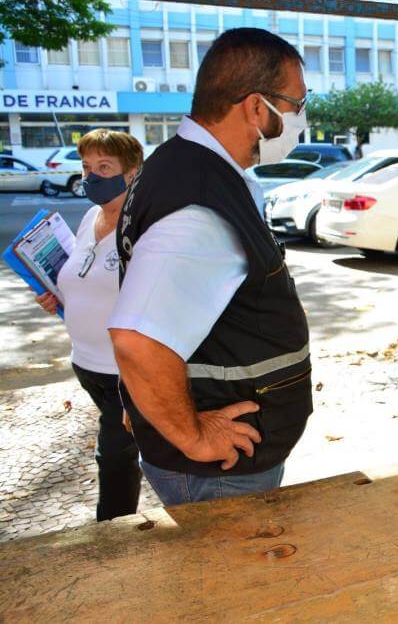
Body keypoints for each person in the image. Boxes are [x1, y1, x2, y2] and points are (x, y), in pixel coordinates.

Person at [107, 28, 313, 505]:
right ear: (257, 108)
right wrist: (192, 434)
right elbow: (137, 339)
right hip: (217, 471)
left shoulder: (188, 168)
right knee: (228, 580)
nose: (301, 119)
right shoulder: (199, 204)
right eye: (297, 105)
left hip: (223, 464)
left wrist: (145, 402)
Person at [32, 129, 144, 521]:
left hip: (122, 371)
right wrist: (58, 297)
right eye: (86, 167)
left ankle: (113, 533)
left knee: (114, 454)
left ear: (131, 174)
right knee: (121, 447)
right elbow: (81, 277)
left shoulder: (141, 228)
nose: (92, 176)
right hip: (87, 365)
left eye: (104, 167)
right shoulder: (91, 216)